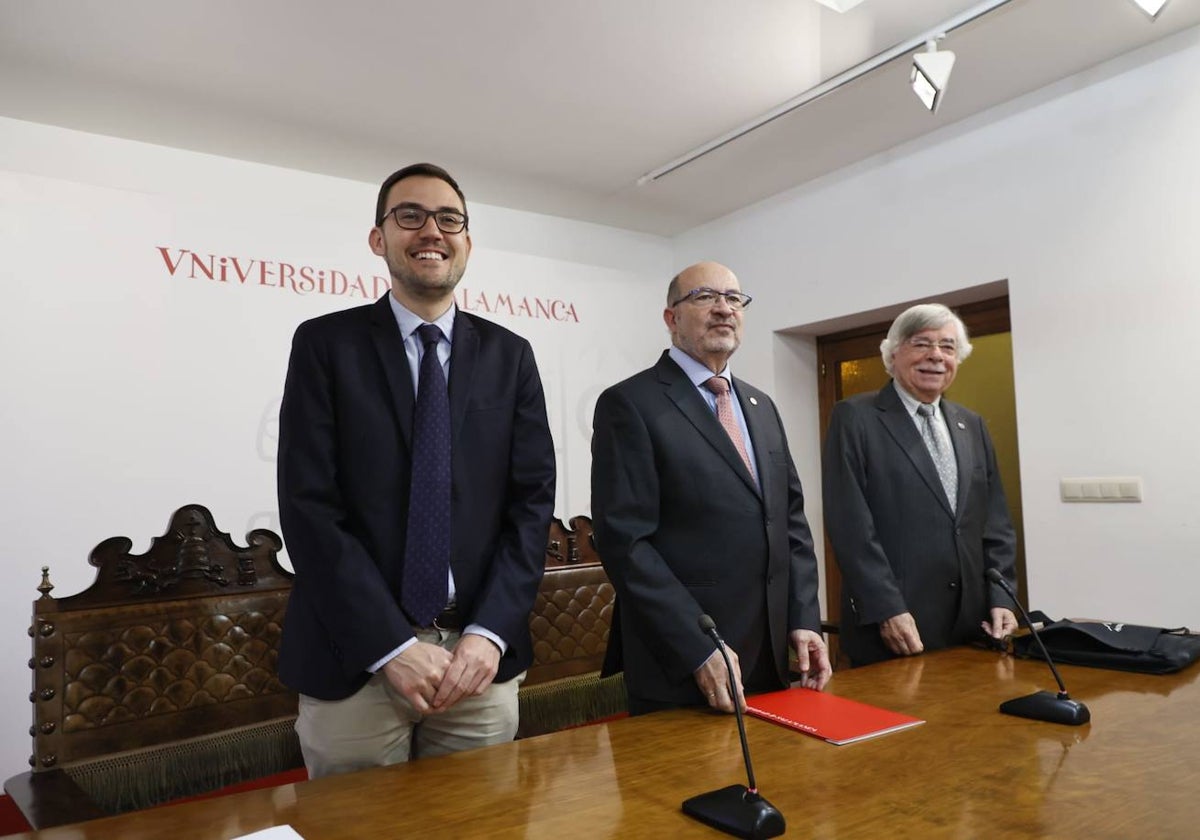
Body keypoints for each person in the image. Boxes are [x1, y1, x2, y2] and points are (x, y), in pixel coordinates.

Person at [276, 162, 556, 777]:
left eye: (449, 218)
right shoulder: (324, 345)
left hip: (477, 661)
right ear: (379, 239)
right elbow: (308, 507)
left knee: (475, 826)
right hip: (356, 658)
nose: (432, 230)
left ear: (467, 242)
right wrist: (392, 646)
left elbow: (531, 506)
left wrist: (490, 633)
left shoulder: (511, 357)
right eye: (410, 215)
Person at [591, 261, 831, 716]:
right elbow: (625, 542)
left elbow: (790, 524)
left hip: (776, 658)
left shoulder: (762, 407)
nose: (723, 309)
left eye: (734, 298)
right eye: (704, 296)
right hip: (683, 662)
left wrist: (804, 619)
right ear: (671, 318)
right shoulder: (630, 404)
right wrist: (698, 647)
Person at [822, 303, 1018, 668]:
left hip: (972, 625)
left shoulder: (971, 424)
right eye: (921, 344)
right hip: (895, 626)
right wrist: (886, 608)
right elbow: (851, 527)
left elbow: (996, 522)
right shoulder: (855, 418)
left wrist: (1002, 597)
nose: (936, 357)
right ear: (893, 354)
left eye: (947, 347)